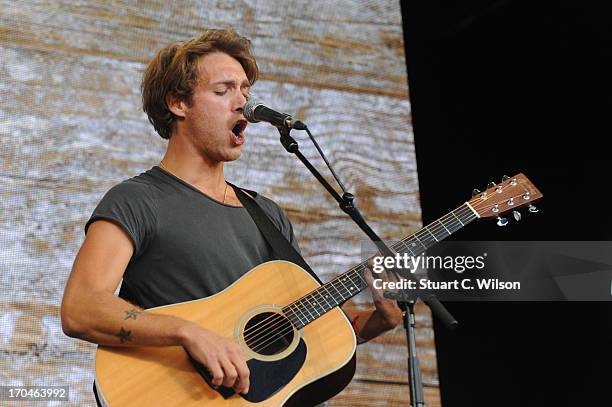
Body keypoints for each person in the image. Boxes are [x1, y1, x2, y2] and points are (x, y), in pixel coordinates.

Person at [60, 28, 402, 403]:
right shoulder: (138, 200)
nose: (242, 103)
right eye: (223, 91)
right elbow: (81, 308)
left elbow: (295, 330)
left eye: (244, 91)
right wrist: (188, 332)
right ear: (178, 103)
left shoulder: (267, 214)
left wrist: (375, 322)